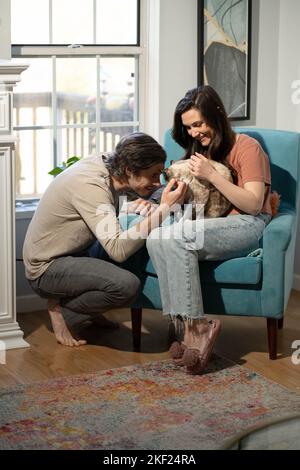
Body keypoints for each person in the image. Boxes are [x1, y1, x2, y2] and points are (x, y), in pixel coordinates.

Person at [146, 86, 272, 375]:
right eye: (188, 127)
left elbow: (253, 204)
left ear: (217, 115)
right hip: (210, 225)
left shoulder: (247, 147)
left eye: (198, 124)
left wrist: (212, 175)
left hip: (248, 224)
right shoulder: (198, 151)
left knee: (178, 236)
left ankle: (199, 325)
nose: (193, 133)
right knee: (155, 237)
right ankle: (182, 325)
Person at [23, 132, 187, 347]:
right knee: (127, 286)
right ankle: (65, 310)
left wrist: (147, 204)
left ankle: (88, 309)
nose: (158, 183)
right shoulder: (90, 185)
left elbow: (133, 198)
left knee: (131, 248)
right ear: (129, 170)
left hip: (78, 251)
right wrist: (164, 210)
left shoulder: (114, 165)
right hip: (47, 267)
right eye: (153, 175)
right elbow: (118, 250)